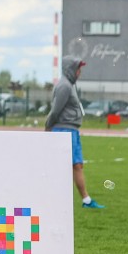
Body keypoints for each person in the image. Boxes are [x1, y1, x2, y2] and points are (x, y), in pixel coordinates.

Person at [45, 56, 104, 209]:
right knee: (63, 167)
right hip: (63, 131)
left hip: (72, 130)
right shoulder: (64, 86)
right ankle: (54, 200)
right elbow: (55, 110)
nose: (80, 72)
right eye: (78, 69)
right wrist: (48, 127)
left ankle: (86, 200)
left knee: (77, 165)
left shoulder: (70, 85)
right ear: (70, 69)